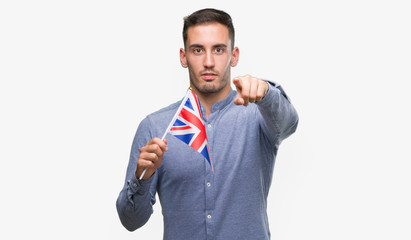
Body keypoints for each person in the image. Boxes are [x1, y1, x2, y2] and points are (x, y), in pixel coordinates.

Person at [116, 8, 299, 240]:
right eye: (198, 50)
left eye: (219, 49)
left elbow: (289, 123)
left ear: (234, 55)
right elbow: (130, 221)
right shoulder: (156, 127)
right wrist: (142, 177)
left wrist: (267, 93)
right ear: (184, 57)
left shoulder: (258, 116)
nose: (209, 62)